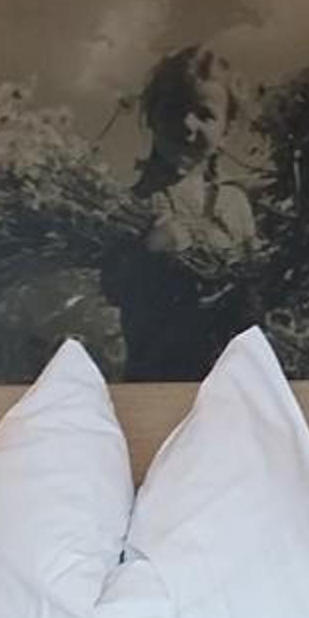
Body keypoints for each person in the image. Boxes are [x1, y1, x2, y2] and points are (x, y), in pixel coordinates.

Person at [103, 45, 262, 380]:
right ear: (151, 115)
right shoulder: (132, 204)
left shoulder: (235, 204)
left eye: (205, 115)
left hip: (227, 377)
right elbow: (112, 289)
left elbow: (253, 293)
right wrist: (148, 251)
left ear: (227, 130)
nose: (187, 124)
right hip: (157, 376)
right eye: (174, 108)